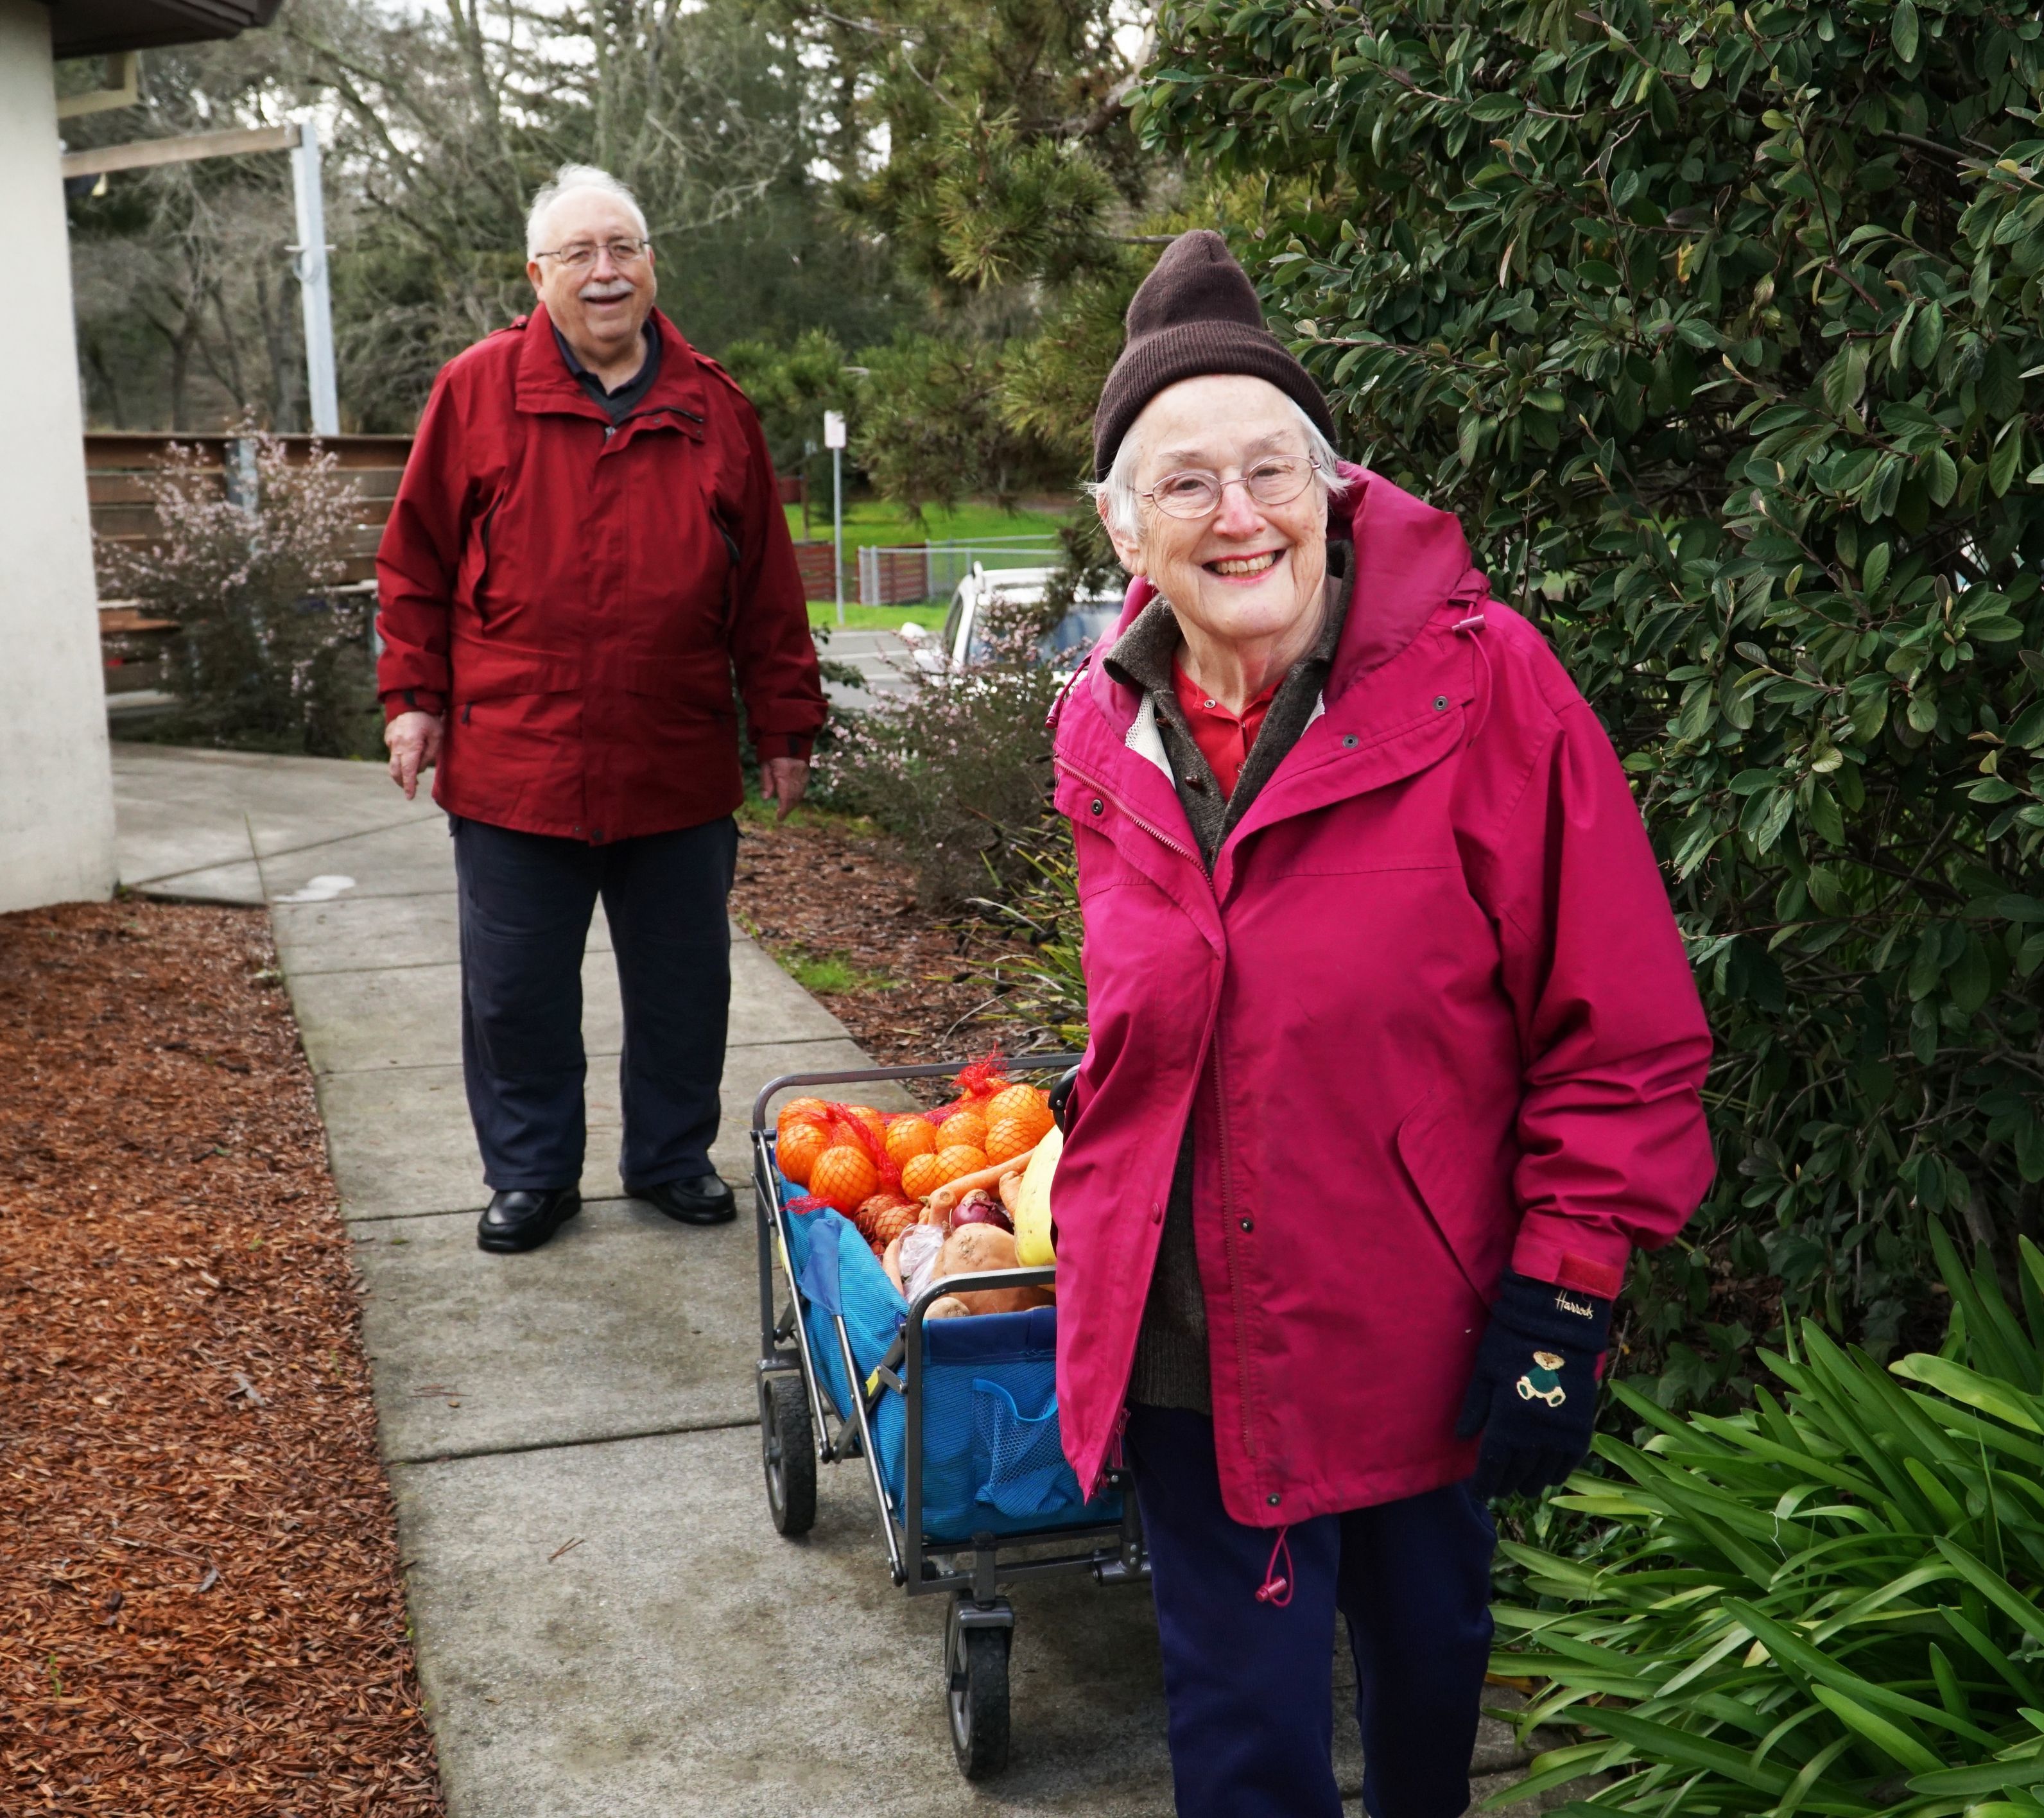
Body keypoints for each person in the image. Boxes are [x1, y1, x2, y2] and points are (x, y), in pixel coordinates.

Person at [1049, 230, 1715, 1818]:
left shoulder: (1485, 689)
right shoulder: (1098, 721)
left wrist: (1567, 1291)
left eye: (1267, 469)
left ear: (1332, 489)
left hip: (1416, 1319)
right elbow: (1150, 1005)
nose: (1236, 515)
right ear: (1121, 527)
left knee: (1425, 1694)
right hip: (1189, 1335)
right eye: (1185, 481)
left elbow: (1619, 1028)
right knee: (1243, 1735)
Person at [375, 165, 826, 1255]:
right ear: (538, 276)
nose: (604, 271)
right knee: (516, 994)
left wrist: (784, 726)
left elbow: (767, 584)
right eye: (577, 254)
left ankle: (671, 1159)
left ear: (652, 265)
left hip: (673, 762)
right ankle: (532, 1176)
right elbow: (415, 562)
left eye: (622, 248)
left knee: (683, 986)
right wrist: (411, 701)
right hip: (515, 761)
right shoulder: (475, 391)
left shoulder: (716, 408)